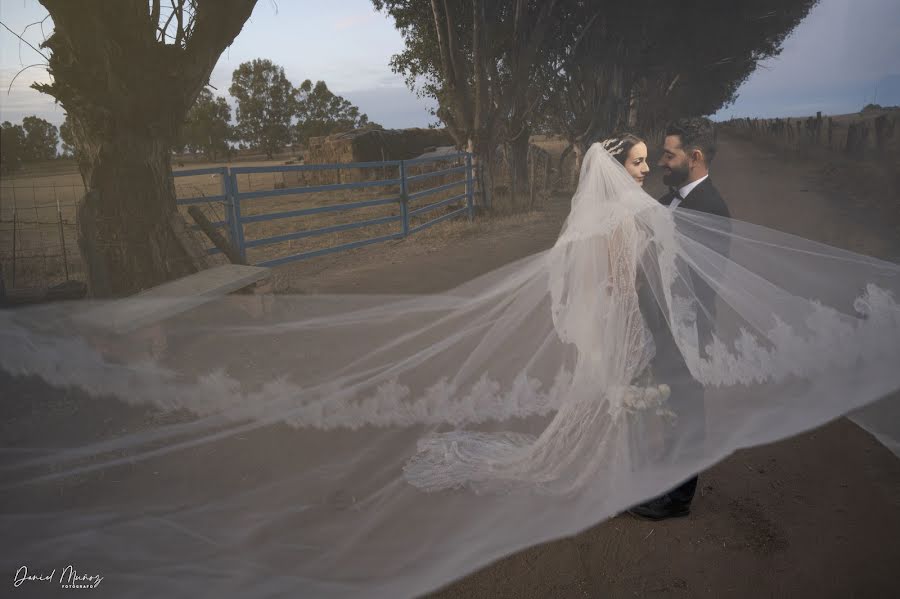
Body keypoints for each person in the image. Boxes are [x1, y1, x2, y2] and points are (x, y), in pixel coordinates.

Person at [1, 126, 899, 599]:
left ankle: (646, 476)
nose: (641, 167)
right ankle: (640, 478)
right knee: (627, 397)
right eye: (631, 159)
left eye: (643, 159)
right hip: (631, 323)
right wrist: (627, 301)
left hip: (641, 326)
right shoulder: (623, 214)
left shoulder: (643, 206)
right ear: (612, 167)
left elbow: (652, 265)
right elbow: (613, 273)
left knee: (634, 397)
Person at [629, 117, 730, 520]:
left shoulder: (710, 207)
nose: (662, 161)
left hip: (686, 325)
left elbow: (703, 281)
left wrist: (675, 324)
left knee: (688, 405)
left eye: (669, 154)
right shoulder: (670, 197)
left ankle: (678, 499)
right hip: (664, 323)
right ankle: (669, 470)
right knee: (673, 400)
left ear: (696, 156)